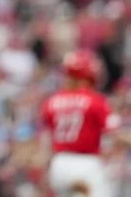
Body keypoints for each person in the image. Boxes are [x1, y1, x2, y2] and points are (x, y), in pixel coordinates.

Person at [39, 49, 129, 197]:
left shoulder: (51, 101)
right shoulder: (95, 101)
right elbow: (115, 134)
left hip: (59, 164)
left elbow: (46, 141)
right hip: (86, 164)